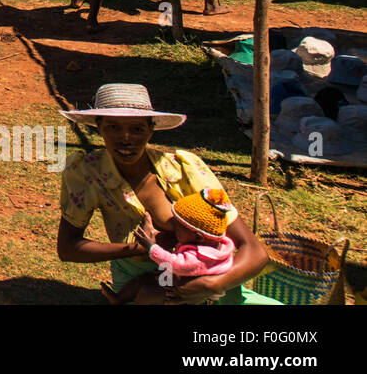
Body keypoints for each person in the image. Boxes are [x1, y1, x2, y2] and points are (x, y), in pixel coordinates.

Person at [56, 83, 276, 304]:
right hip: (142, 284)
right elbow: (68, 249)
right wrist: (134, 249)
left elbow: (255, 252)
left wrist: (212, 285)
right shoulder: (87, 173)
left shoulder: (184, 170)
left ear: (151, 130)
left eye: (137, 129)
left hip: (205, 276)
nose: (125, 138)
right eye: (113, 127)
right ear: (99, 128)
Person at [108, 187, 239, 305]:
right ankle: (119, 299)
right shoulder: (212, 243)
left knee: (148, 292)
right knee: (145, 278)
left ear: (198, 236)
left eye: (178, 226)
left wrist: (151, 247)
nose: (173, 228)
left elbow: (176, 264)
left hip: (184, 294)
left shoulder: (201, 256)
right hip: (178, 277)